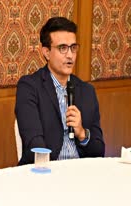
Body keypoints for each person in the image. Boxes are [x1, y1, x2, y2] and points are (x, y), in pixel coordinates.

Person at [15, 17, 105, 165]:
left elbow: (99, 151)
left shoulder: (87, 91)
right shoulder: (30, 87)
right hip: (46, 172)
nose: (70, 55)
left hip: (81, 172)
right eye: (62, 48)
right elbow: (34, 144)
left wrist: (82, 133)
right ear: (46, 52)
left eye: (73, 48)